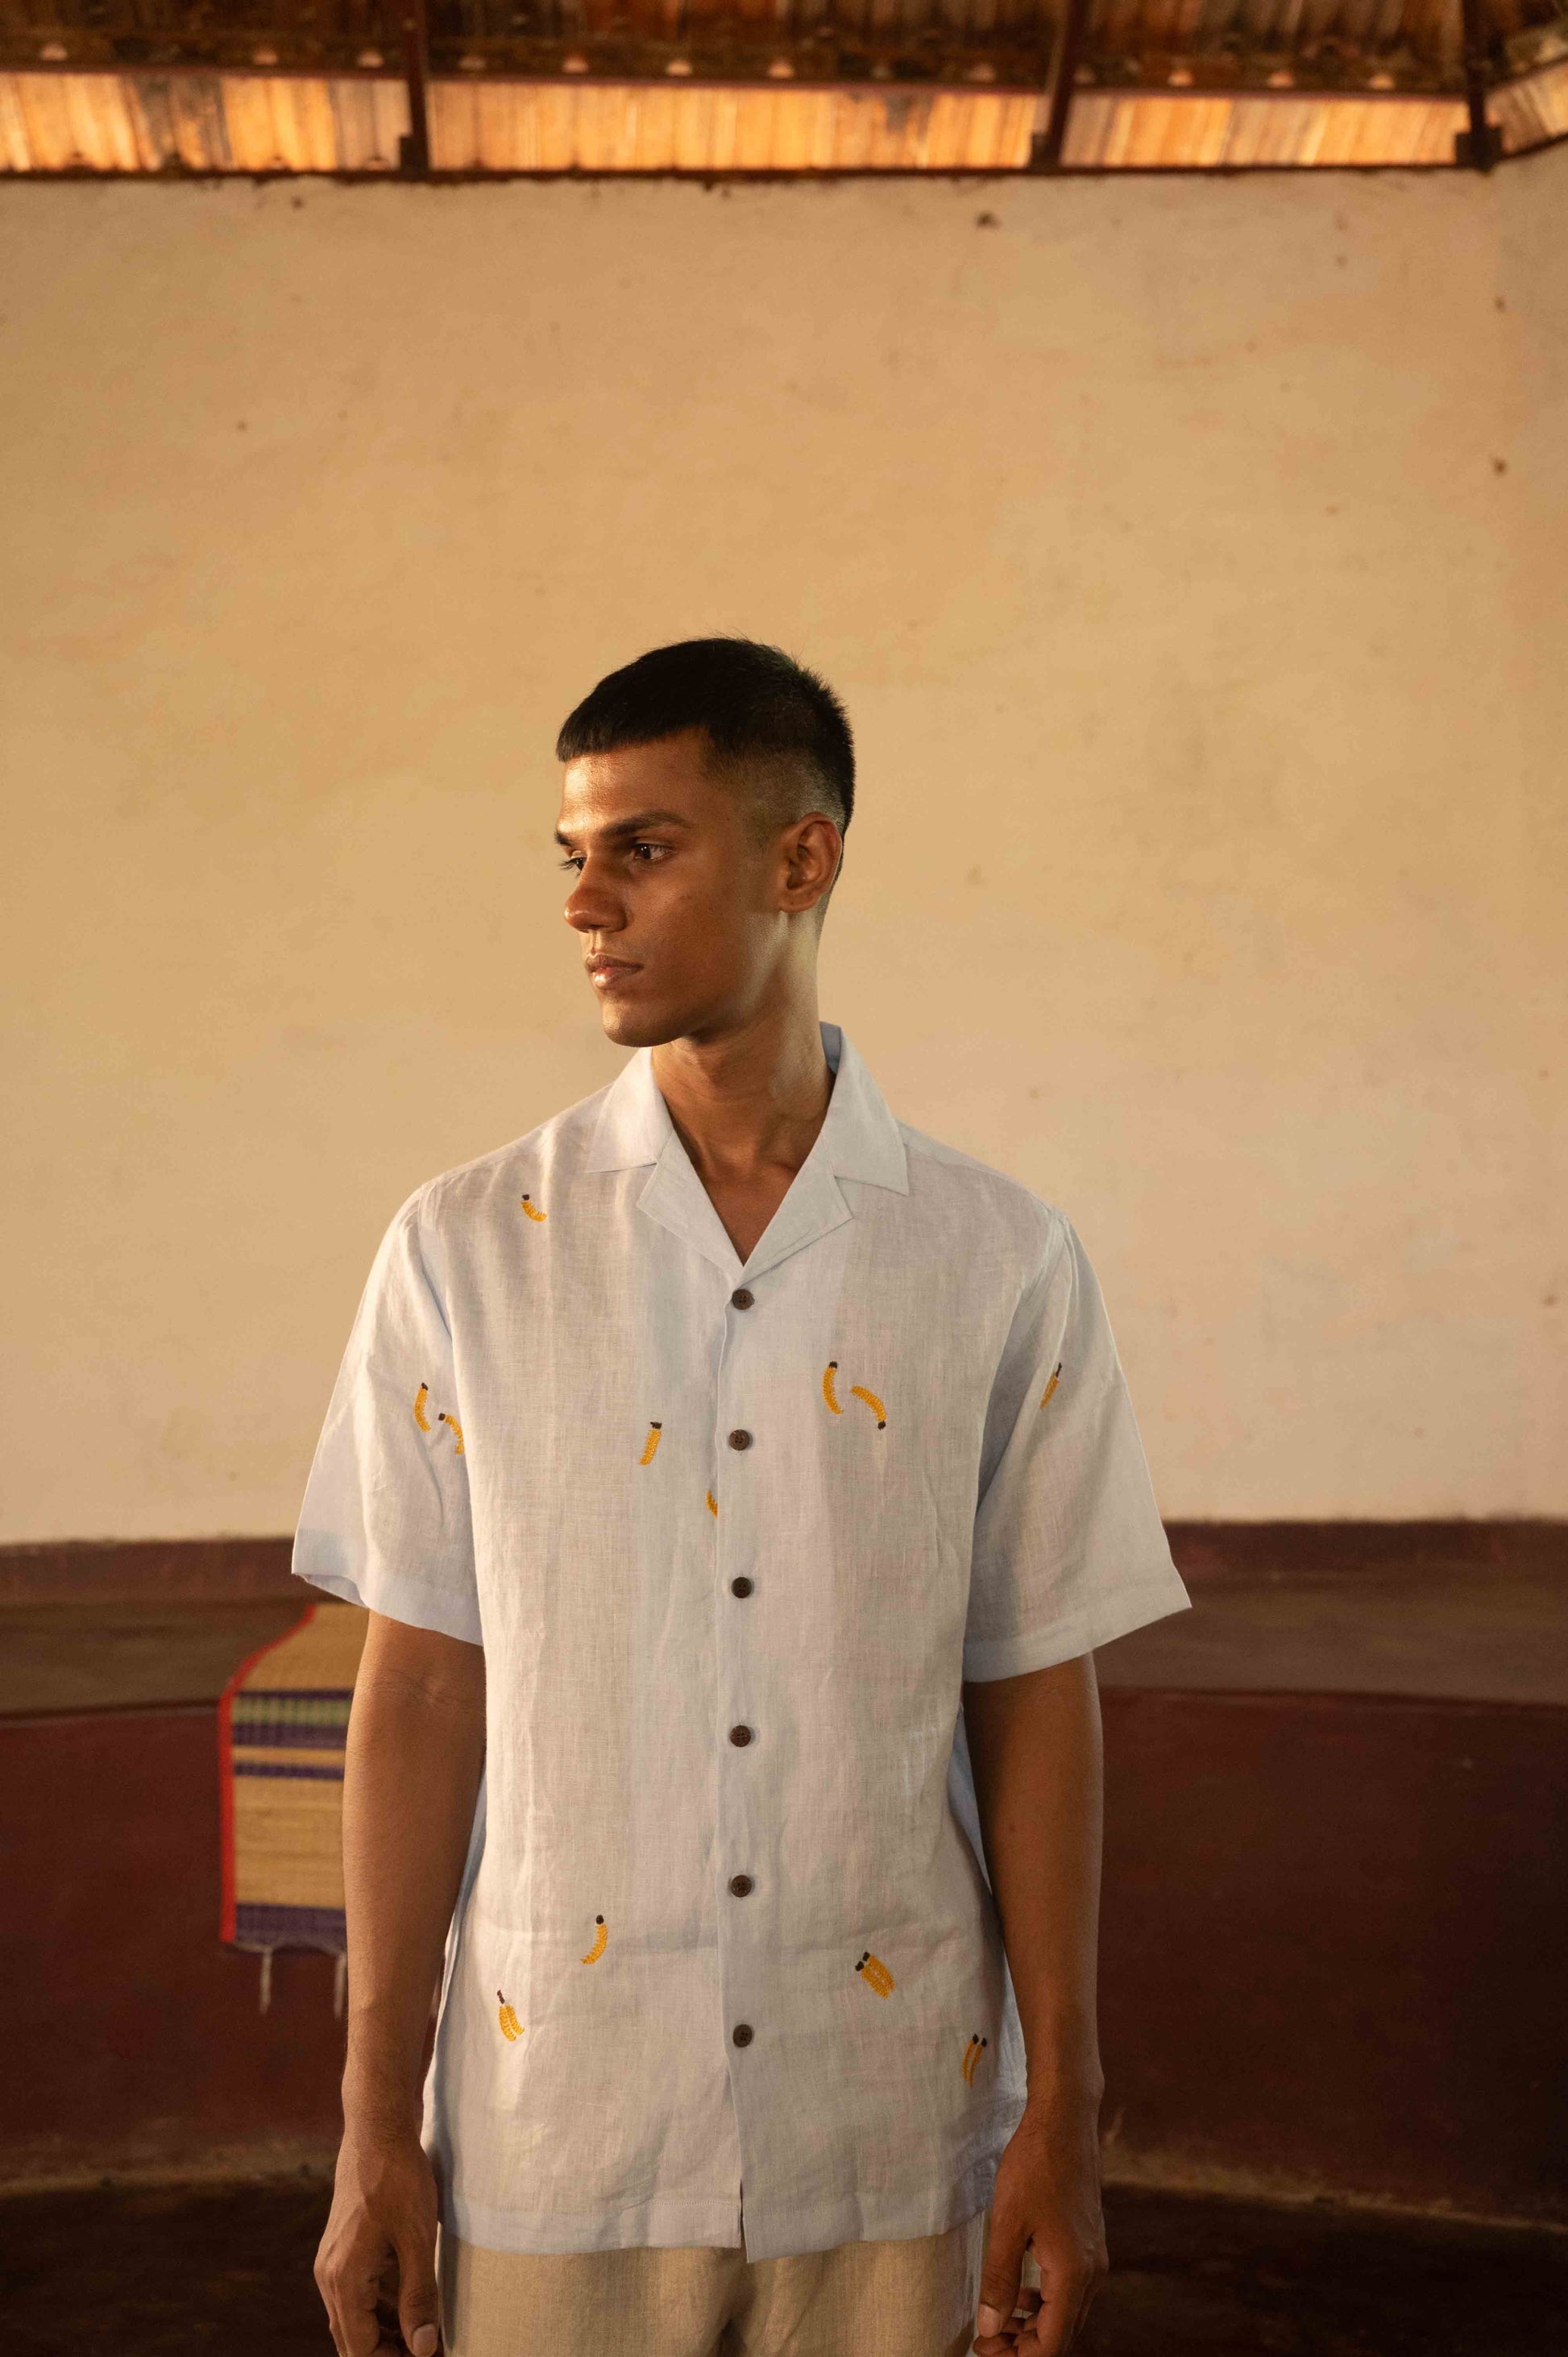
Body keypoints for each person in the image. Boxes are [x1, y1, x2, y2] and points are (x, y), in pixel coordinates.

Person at [299, 638, 1189, 2357]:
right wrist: (368, 2122)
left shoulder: (993, 1260)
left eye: (641, 846)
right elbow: (418, 1685)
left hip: (890, 2121)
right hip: (559, 2116)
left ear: (803, 858)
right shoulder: (469, 1249)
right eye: (570, 851)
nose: (583, 901)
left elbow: (1031, 1685)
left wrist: (1061, 2108)